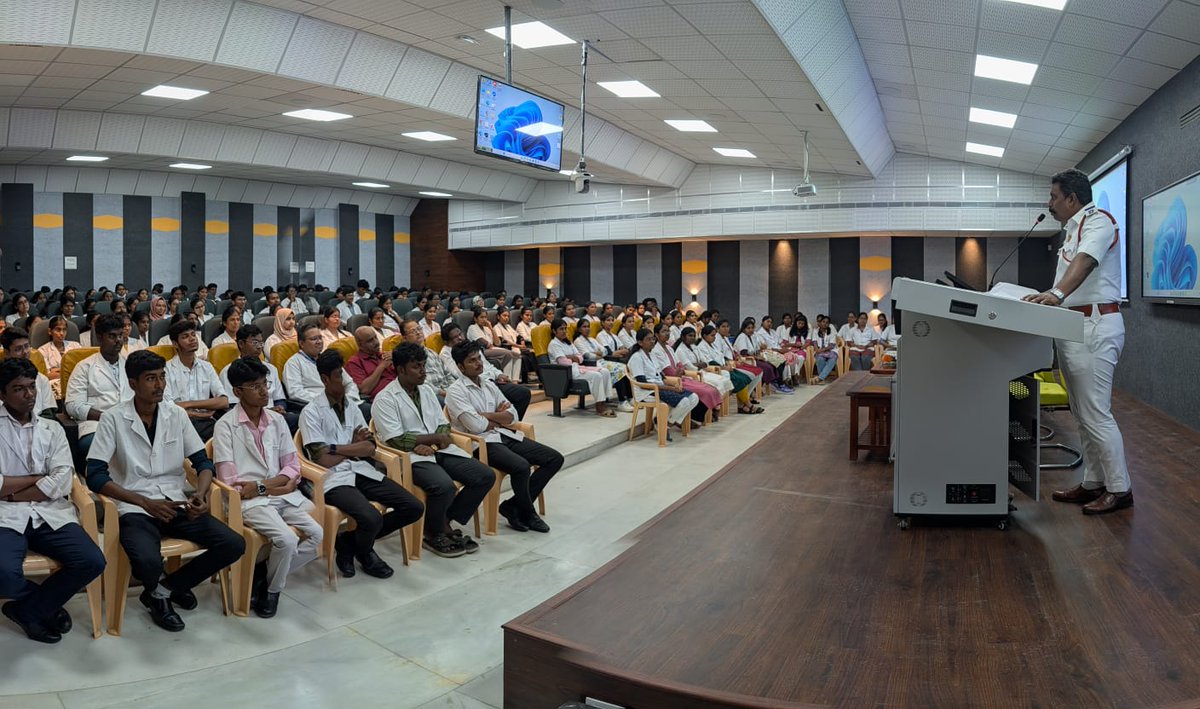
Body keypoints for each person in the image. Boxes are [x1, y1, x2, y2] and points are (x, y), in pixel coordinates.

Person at [85, 350, 245, 632]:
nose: (159, 385)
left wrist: (201, 494)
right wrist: (144, 502)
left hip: (176, 502)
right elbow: (95, 477)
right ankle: (162, 591)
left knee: (233, 544)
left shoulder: (176, 414)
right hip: (135, 506)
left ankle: (163, 591)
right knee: (146, 560)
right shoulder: (113, 418)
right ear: (133, 383)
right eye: (150, 379)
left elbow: (202, 462)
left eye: (162, 377)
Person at [1024, 168, 1132, 515]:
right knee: (1083, 413)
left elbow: (1085, 263)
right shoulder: (1071, 230)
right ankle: (1093, 483)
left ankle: (1121, 488)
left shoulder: (1099, 222)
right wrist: (1049, 297)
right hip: (1074, 327)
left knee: (1096, 413)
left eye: (1054, 196)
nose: (1050, 203)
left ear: (1072, 198)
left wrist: (1055, 294)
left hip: (1095, 325)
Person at [0, 358, 106, 644]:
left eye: (32, 387)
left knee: (92, 561)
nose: (29, 394)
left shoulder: (53, 428)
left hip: (50, 512)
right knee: (3, 574)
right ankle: (44, 605)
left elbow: (60, 481)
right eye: (19, 389)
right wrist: (34, 479)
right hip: (5, 515)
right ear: (2, 394)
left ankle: (27, 610)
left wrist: (10, 488)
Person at [299, 350, 422, 578]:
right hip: (333, 478)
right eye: (339, 375)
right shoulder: (311, 412)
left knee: (413, 507)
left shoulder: (352, 407)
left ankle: (349, 543)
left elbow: (369, 447)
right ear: (325, 379)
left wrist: (336, 448)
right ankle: (365, 553)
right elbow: (322, 459)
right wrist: (351, 447)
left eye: (344, 373)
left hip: (359, 469)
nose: (345, 380)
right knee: (371, 518)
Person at [215, 358, 322, 617]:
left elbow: (292, 467)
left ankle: (262, 575)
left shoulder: (277, 420)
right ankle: (273, 591)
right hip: (248, 503)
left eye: (266, 384)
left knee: (318, 535)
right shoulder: (225, 426)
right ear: (238, 392)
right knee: (286, 539)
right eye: (255, 386)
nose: (265, 391)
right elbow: (233, 485)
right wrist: (271, 486)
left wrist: (262, 486)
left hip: (275, 495)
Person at [372, 344, 493, 558]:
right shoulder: (385, 399)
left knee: (484, 476)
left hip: (437, 450)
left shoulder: (426, 390)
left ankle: (443, 521)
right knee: (443, 486)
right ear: (400, 370)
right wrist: (434, 438)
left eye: (423, 365)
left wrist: (434, 442)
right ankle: (433, 531)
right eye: (416, 367)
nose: (423, 371)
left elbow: (443, 425)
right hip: (408, 457)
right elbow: (397, 439)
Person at [445, 341, 563, 533]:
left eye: (479, 358)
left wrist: (488, 416)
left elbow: (513, 414)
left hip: (501, 434)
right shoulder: (456, 391)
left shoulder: (488, 384)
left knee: (554, 459)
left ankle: (513, 506)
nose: (478, 363)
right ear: (460, 366)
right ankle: (527, 512)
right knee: (521, 466)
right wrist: (497, 417)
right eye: (472, 361)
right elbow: (475, 426)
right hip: (480, 444)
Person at [65, 314, 132, 458]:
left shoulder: (130, 365)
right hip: (96, 426)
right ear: (100, 337)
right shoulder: (84, 367)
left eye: (120, 335)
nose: (118, 340)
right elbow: (72, 405)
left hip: (130, 423)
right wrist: (106, 417)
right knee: (121, 446)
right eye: (112, 336)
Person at [441, 323, 532, 419]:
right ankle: (500, 425)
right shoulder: (446, 354)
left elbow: (487, 366)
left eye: (460, 334)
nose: (460, 338)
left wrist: (499, 374)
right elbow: (459, 373)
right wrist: (489, 378)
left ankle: (506, 427)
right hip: (474, 386)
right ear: (447, 341)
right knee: (518, 396)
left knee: (523, 394)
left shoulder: (470, 347)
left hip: (490, 382)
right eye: (455, 337)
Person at [163, 320, 228, 439]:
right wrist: (198, 413)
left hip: (206, 422)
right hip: (179, 422)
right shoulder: (166, 369)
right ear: (175, 344)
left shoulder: (206, 366)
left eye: (193, 334)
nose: (192, 339)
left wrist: (188, 404)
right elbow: (167, 406)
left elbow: (223, 401)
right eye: (185, 337)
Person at [627, 327, 698, 435]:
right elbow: (644, 384)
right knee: (684, 402)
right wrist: (669, 388)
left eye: (653, 339)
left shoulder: (652, 355)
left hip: (660, 387)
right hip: (648, 391)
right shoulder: (636, 357)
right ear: (640, 342)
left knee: (693, 397)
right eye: (648, 339)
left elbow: (662, 377)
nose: (652, 342)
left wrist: (675, 385)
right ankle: (664, 425)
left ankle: (664, 423)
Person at [219, 327, 294, 429]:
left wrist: (280, 408)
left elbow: (280, 399)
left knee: (298, 420)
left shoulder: (271, 368)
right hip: (247, 419)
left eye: (261, 343)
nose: (259, 347)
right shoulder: (229, 371)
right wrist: (265, 412)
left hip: (275, 416)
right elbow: (232, 405)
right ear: (241, 344)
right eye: (255, 343)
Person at [283, 322, 362, 411]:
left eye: (320, 338)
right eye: (314, 339)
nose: (319, 342)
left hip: (346, 404)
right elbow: (295, 393)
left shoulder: (329, 359)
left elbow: (349, 383)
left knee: (370, 410)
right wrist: (327, 399)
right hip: (319, 407)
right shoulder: (293, 363)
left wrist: (348, 398)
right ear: (301, 343)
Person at [652, 321, 720, 423]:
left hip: (680, 377)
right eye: (664, 331)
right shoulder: (656, 350)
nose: (667, 333)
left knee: (710, 388)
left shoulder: (669, 348)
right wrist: (677, 372)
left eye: (668, 331)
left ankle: (693, 417)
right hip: (671, 380)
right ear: (656, 335)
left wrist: (679, 371)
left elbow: (680, 365)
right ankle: (690, 418)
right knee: (702, 392)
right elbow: (668, 370)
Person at [547, 319, 615, 417]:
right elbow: (563, 362)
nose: (564, 331)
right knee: (596, 376)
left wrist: (571, 357)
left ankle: (604, 401)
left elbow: (580, 357)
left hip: (577, 368)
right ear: (554, 331)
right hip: (566, 372)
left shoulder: (568, 342)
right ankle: (599, 406)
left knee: (604, 371)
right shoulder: (554, 344)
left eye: (565, 329)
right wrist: (573, 358)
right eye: (561, 329)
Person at [694, 324, 760, 414]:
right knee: (740, 380)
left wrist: (728, 362)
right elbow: (709, 362)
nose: (714, 338)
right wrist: (724, 367)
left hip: (725, 367)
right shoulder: (702, 347)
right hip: (716, 370)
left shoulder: (712, 345)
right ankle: (748, 405)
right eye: (712, 335)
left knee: (744, 378)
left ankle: (742, 405)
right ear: (705, 336)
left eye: (714, 335)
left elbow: (721, 355)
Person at [0, 328, 56, 417]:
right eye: (18, 349)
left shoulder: (41, 378)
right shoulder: (2, 379)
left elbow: (48, 413)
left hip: (38, 425)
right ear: (7, 353)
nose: (25, 352)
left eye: (26, 346)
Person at [467, 307, 521, 381]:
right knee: (509, 353)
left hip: (491, 349)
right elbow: (484, 343)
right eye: (481, 317)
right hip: (482, 351)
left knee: (517, 356)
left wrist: (491, 328)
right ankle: (507, 379)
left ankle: (514, 380)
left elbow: (497, 343)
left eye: (486, 317)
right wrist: (490, 345)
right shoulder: (472, 328)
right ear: (475, 319)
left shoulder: (487, 328)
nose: (484, 320)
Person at [345, 326, 395, 402]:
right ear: (360, 345)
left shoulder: (384, 355)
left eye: (375, 337)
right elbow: (364, 390)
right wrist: (382, 366)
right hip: (384, 399)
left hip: (401, 390)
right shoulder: (354, 362)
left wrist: (397, 358)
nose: (376, 342)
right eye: (370, 340)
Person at [734, 318, 782, 392]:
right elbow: (744, 353)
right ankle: (756, 388)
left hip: (754, 358)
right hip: (746, 360)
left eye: (752, 328)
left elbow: (756, 350)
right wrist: (756, 357)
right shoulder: (742, 336)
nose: (751, 330)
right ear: (744, 329)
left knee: (771, 365)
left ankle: (761, 386)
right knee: (766, 367)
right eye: (748, 328)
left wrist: (760, 354)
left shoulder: (752, 337)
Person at [36, 316, 80, 398]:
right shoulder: (42, 350)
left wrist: (57, 370)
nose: (62, 333)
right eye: (58, 329)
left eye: (64, 330)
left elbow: (82, 370)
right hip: (54, 386)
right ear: (50, 331)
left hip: (75, 383)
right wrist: (70, 371)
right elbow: (47, 376)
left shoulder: (75, 346)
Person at [810, 315, 840, 383]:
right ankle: (821, 378)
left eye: (827, 322)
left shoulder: (831, 331)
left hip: (830, 350)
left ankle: (820, 378)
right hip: (819, 350)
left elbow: (832, 345)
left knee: (833, 359)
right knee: (820, 358)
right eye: (823, 322)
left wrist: (822, 350)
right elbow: (814, 342)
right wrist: (817, 350)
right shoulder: (815, 331)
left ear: (829, 324)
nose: (825, 324)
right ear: (820, 323)